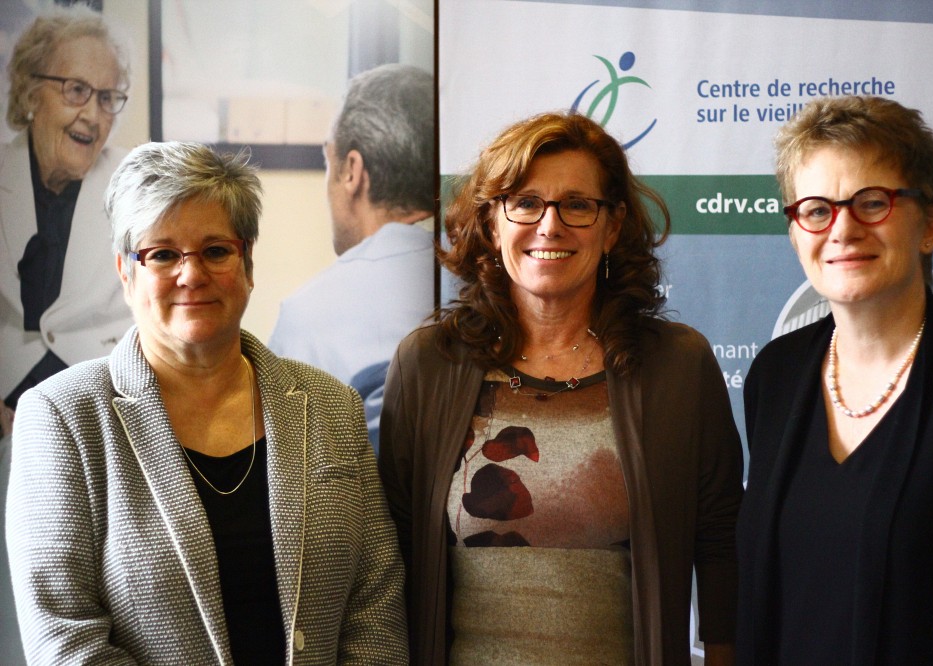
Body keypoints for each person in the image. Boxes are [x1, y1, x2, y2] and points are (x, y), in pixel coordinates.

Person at [6, 141, 408, 664]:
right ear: (126, 273)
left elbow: (376, 605)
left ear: (247, 264)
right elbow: (65, 639)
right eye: (163, 254)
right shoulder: (62, 417)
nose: (192, 274)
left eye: (216, 251)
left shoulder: (332, 406)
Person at [379, 111, 744, 665]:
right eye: (526, 203)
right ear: (493, 223)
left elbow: (720, 545)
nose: (550, 226)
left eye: (576, 204)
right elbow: (390, 560)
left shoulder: (678, 366)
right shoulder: (428, 365)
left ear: (612, 226)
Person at [737, 96, 933, 664]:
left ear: (930, 225)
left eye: (872, 202)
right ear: (795, 233)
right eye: (816, 210)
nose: (843, 229)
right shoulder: (776, 375)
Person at [0, 7, 133, 663]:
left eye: (108, 97)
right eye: (77, 90)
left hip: (94, 427)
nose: (93, 114)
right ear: (31, 91)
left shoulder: (130, 187)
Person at [270, 63, 435, 452]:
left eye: (328, 161)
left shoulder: (306, 316)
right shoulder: (487, 281)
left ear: (352, 171)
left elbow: (284, 466)